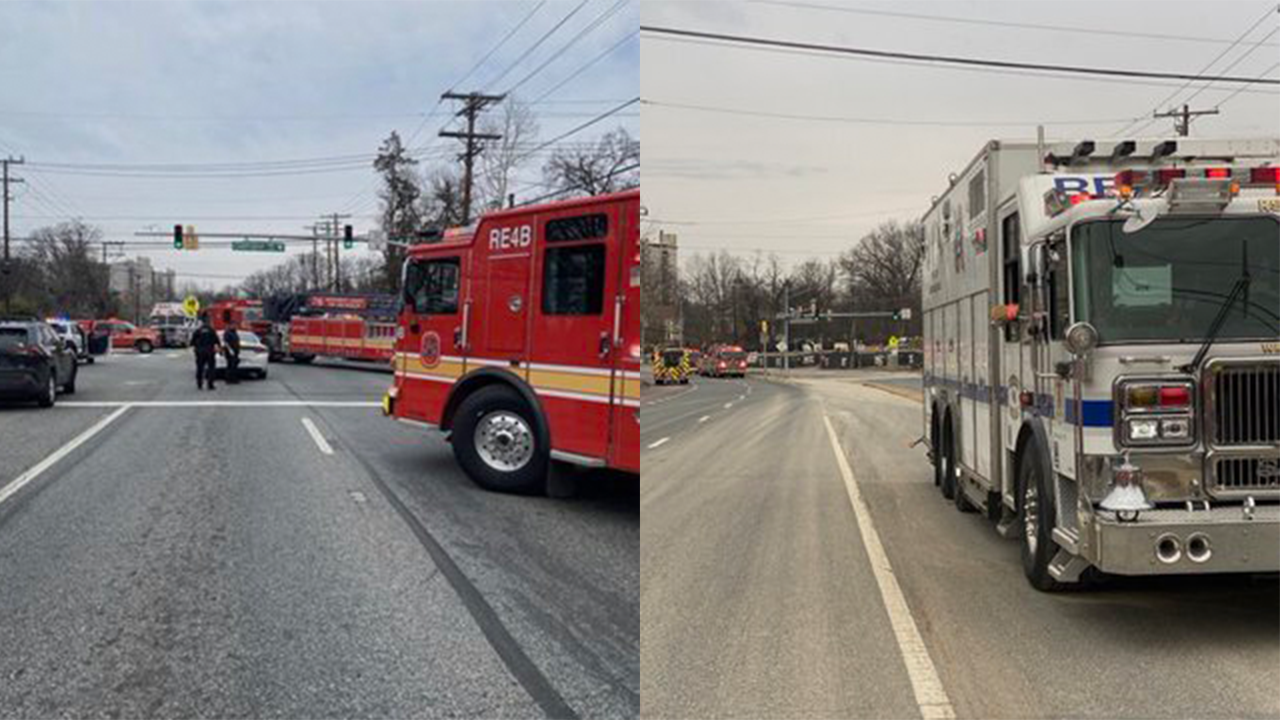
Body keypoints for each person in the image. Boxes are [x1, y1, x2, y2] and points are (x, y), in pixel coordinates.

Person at [190, 313, 221, 390]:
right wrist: (218, 348)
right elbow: (217, 341)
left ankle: (199, 384)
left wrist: (196, 348)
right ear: (208, 321)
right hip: (210, 352)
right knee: (211, 369)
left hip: (200, 352)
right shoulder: (211, 330)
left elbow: (192, 342)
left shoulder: (198, 331)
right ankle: (210, 384)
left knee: (200, 368)